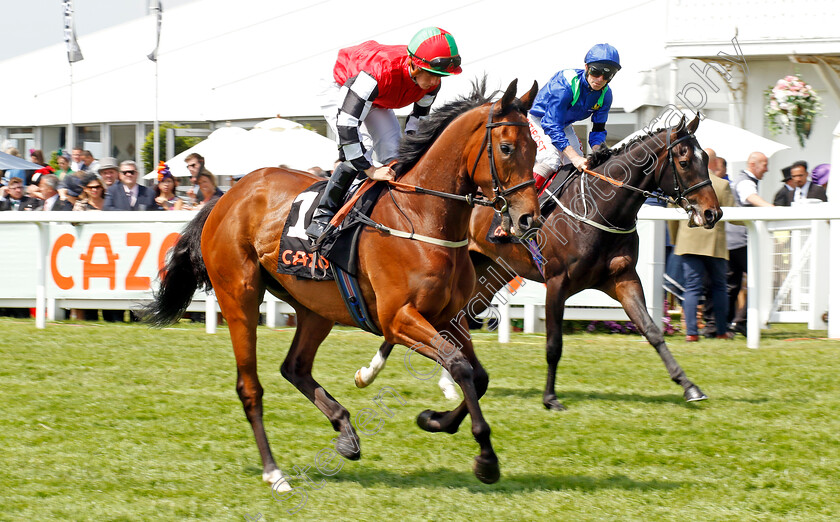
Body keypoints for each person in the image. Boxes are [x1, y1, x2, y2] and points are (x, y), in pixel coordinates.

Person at [304, 26, 463, 244]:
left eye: (441, 76)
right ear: (414, 66)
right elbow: (347, 124)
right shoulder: (378, 73)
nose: (436, 82)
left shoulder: (431, 84)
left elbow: (418, 121)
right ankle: (322, 215)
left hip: (377, 97)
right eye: (433, 75)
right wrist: (369, 169)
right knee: (363, 147)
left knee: (394, 153)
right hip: (341, 84)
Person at [528, 43, 620, 190]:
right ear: (586, 68)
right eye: (596, 72)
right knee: (551, 159)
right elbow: (551, 124)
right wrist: (574, 156)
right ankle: (525, 204)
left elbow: (598, 130)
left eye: (607, 75)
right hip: (540, 120)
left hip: (563, 125)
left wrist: (599, 151)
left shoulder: (606, 95)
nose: (600, 79)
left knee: (577, 165)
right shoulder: (565, 85)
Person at [670, 168, 737, 341]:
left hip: (688, 242)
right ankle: (722, 331)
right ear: (714, 163)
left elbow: (671, 214)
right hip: (715, 245)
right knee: (720, 287)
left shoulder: (681, 184)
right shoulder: (722, 185)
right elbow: (735, 216)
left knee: (692, 287)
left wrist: (676, 238)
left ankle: (691, 333)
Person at [726, 151, 772, 336]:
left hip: (731, 240)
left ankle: (726, 324)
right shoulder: (745, 181)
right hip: (742, 241)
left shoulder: (740, 179)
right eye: (764, 164)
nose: (767, 169)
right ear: (753, 165)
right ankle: (740, 321)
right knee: (758, 280)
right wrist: (774, 210)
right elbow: (751, 197)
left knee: (731, 284)